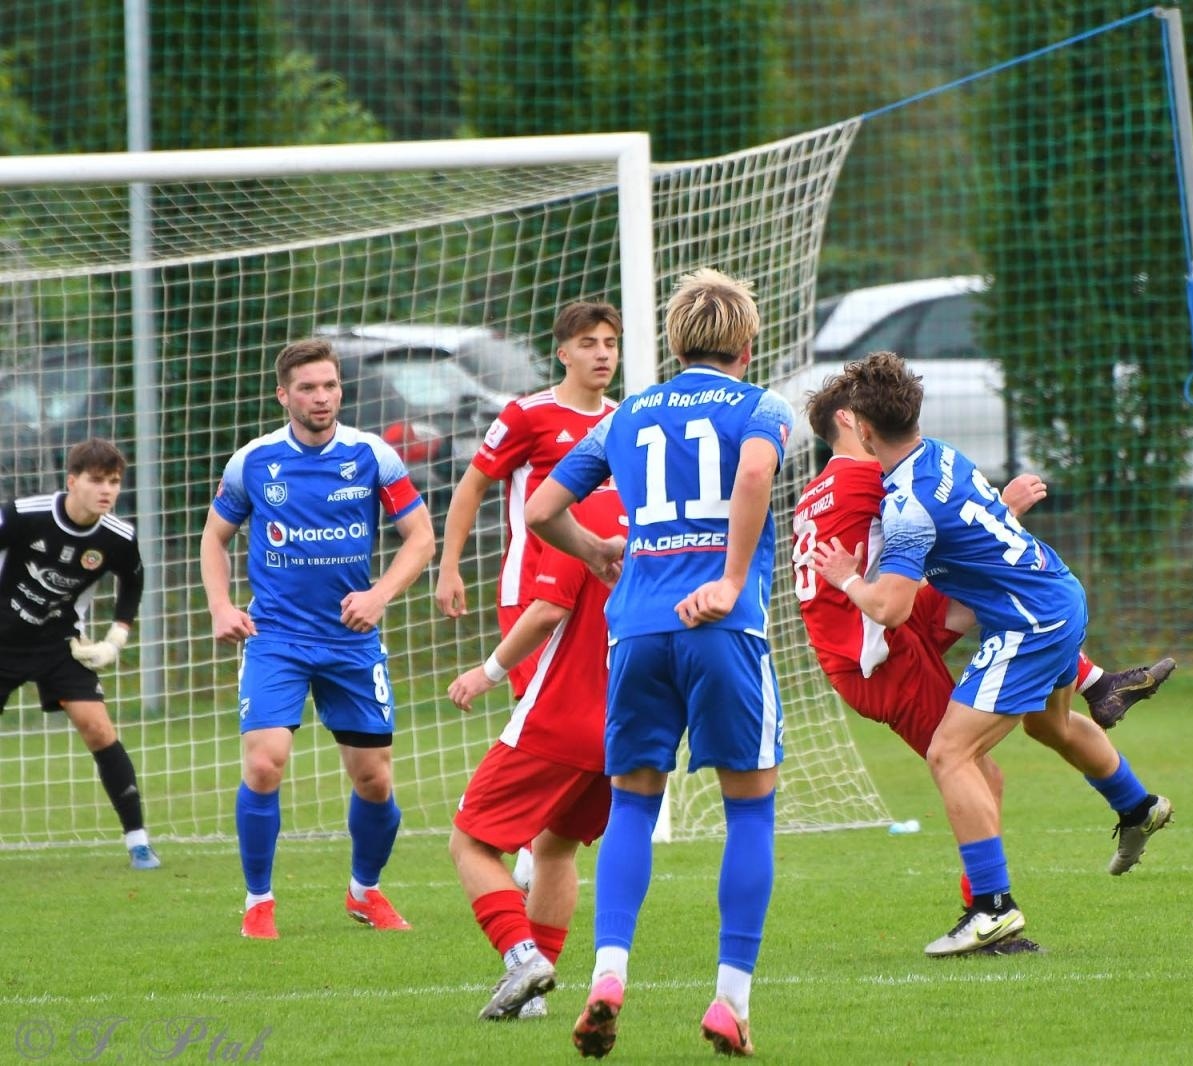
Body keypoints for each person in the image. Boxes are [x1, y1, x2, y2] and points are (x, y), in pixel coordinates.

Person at [810, 352, 1174, 958]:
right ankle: (1137, 805)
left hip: (1027, 625)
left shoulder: (906, 504)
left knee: (950, 753)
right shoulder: (943, 455)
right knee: (1049, 724)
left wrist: (848, 577)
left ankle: (991, 909)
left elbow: (891, 609)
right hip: (1058, 592)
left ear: (865, 431)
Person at [525, 267, 792, 1059]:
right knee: (750, 808)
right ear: (747, 342)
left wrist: (599, 552)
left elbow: (543, 510)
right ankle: (730, 1002)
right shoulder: (761, 405)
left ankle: (608, 976)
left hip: (636, 630)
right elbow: (751, 472)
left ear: (675, 344)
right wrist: (731, 579)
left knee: (633, 806)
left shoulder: (630, 413)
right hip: (722, 626)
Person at [201, 338, 436, 940]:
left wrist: (379, 595)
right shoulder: (252, 461)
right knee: (264, 764)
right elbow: (214, 539)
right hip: (275, 637)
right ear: (284, 395)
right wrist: (222, 605)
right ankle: (259, 902)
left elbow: (420, 537)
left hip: (351, 643)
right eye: (308, 387)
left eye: (330, 385)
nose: (322, 397)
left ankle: (365, 892)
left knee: (375, 780)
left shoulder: (372, 456)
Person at [445, 485, 626, 1023]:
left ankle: (523, 959)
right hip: (631, 727)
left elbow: (548, 609)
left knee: (470, 842)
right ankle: (535, 996)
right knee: (555, 849)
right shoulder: (674, 524)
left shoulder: (585, 514)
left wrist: (488, 672)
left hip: (562, 719)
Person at [434, 300, 621, 701]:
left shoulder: (622, 420)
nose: (603, 353)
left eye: (610, 343)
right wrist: (449, 566)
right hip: (533, 588)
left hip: (600, 591)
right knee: (544, 713)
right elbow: (471, 487)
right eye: (588, 343)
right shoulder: (527, 415)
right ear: (564, 354)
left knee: (598, 714)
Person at [0, 438, 159, 870]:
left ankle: (139, 842)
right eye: (95, 481)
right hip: (3, 640)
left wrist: (116, 639)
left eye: (114, 482)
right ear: (72, 482)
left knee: (97, 729)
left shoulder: (118, 537)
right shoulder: (25, 515)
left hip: (59, 644)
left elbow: (133, 583)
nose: (106, 490)